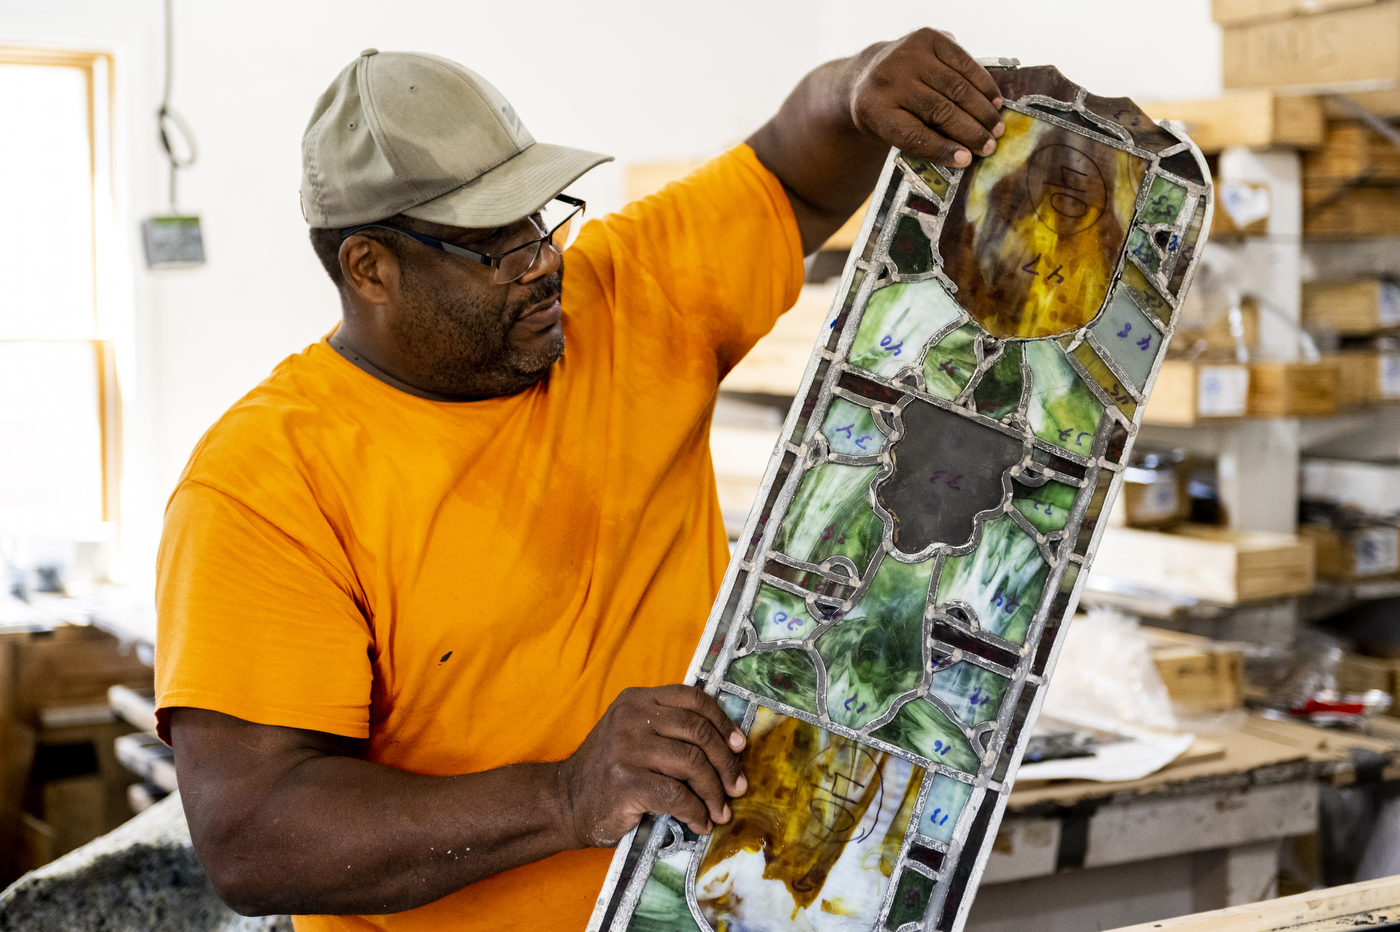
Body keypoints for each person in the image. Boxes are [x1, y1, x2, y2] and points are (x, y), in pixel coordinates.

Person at [156, 31, 1005, 932]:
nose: (540, 260)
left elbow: (790, 174)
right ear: (371, 267)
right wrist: (563, 796)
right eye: (491, 244)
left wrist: (860, 84)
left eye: (540, 216)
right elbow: (253, 839)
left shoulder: (623, 299)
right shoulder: (265, 485)